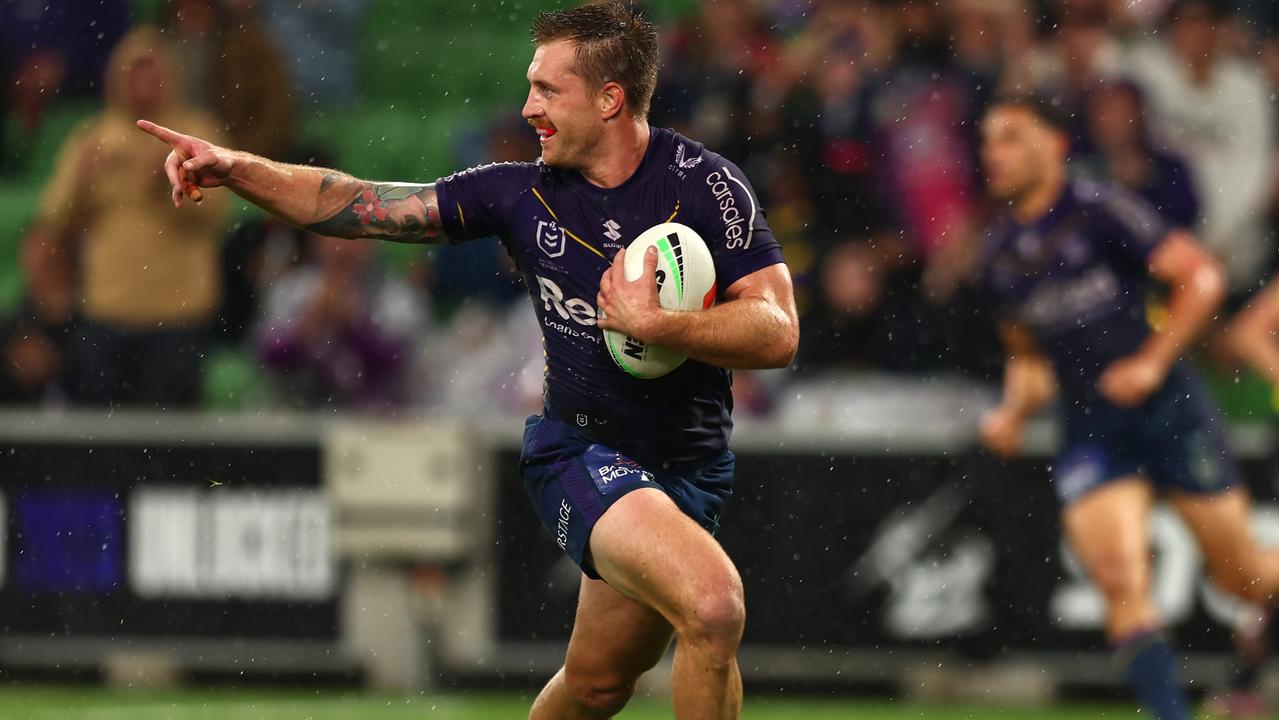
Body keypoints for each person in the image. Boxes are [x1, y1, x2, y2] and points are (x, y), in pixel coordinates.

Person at [136, 3, 797, 718]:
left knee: (597, 684)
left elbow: (776, 329)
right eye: (529, 86)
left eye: (548, 90)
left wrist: (661, 325)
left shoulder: (706, 185)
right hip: (579, 451)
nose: (527, 107)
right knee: (712, 606)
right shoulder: (517, 194)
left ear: (610, 99)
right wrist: (237, 169)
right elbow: (361, 204)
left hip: (689, 468)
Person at [976, 95, 1279, 720]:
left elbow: (1201, 279)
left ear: (1054, 143)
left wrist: (1153, 360)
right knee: (1117, 576)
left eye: (1010, 136)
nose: (993, 153)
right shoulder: (1000, 254)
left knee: (1242, 578)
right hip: (1092, 425)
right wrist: (1013, 409)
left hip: (1170, 411)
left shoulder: (1099, 210)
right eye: (987, 140)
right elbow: (1030, 356)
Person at [26, 27, 230, 408]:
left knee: (175, 444)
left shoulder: (196, 135)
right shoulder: (93, 138)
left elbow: (218, 215)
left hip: (179, 314)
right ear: (117, 79)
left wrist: (175, 183)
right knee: (102, 442)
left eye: (153, 74)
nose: (144, 85)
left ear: (170, 77)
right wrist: (81, 184)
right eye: (134, 74)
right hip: (108, 311)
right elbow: (54, 221)